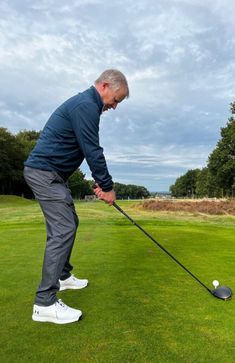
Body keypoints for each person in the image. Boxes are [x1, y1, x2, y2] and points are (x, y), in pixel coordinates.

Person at [24, 69, 129, 324]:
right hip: (44, 174)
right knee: (63, 229)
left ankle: (63, 276)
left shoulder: (86, 105)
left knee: (70, 222)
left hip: (51, 175)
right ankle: (44, 303)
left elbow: (80, 147)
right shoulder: (86, 106)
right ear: (104, 86)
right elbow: (92, 150)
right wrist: (107, 186)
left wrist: (99, 182)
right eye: (116, 100)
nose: (114, 107)